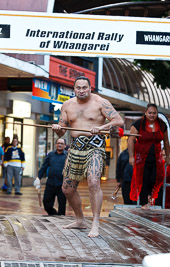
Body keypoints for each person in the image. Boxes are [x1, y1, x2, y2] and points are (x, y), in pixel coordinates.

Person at [52, 76, 123, 237]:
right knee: (67, 189)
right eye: (79, 88)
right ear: (74, 89)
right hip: (76, 147)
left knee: (93, 181)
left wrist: (102, 127)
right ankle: (80, 220)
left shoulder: (100, 102)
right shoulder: (67, 105)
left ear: (90, 88)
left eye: (85, 87)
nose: (82, 90)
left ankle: (95, 222)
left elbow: (117, 120)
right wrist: (57, 128)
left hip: (95, 146)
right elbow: (62, 131)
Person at [128, 104, 170, 210]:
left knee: (156, 178)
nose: (152, 115)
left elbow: (166, 141)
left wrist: (168, 156)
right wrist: (131, 157)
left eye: (154, 113)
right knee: (144, 179)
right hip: (141, 158)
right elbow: (130, 140)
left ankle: (152, 197)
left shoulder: (161, 124)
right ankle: (144, 203)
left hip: (157, 158)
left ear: (157, 113)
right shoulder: (139, 124)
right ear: (146, 113)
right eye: (150, 113)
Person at [34, 138, 67, 215]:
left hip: (62, 184)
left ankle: (60, 220)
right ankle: (54, 214)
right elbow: (44, 167)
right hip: (50, 183)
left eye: (62, 143)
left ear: (65, 145)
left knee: (62, 205)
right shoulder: (50, 155)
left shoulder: (67, 156)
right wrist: (38, 177)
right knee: (46, 203)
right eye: (58, 143)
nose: (60, 145)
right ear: (55, 144)